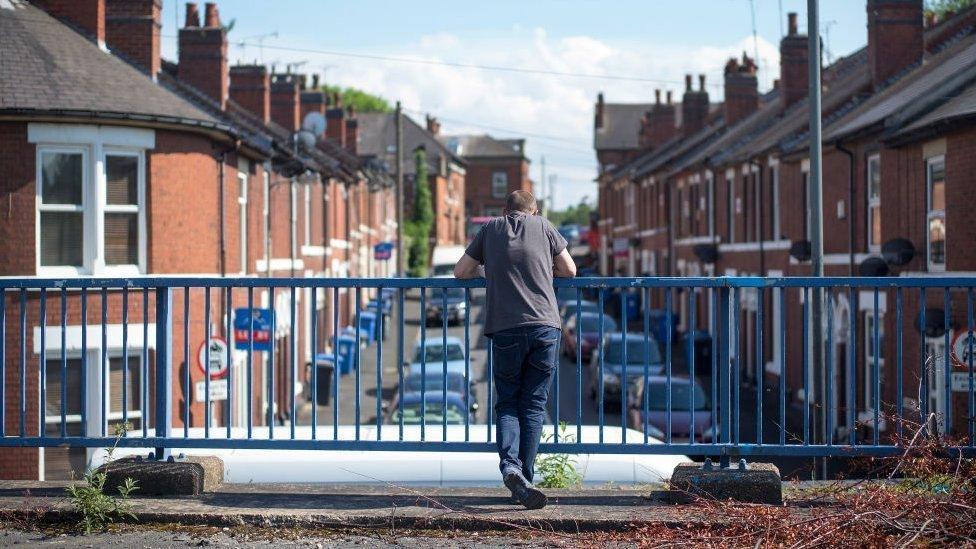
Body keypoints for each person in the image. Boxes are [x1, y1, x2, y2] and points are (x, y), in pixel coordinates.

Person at [454, 190, 577, 509]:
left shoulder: (490, 229)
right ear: (534, 212)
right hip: (545, 327)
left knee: (508, 400)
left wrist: (488, 272)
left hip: (506, 326)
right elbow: (570, 270)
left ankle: (510, 467)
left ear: (506, 210)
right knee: (534, 404)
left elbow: (460, 272)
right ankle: (525, 477)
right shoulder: (545, 227)